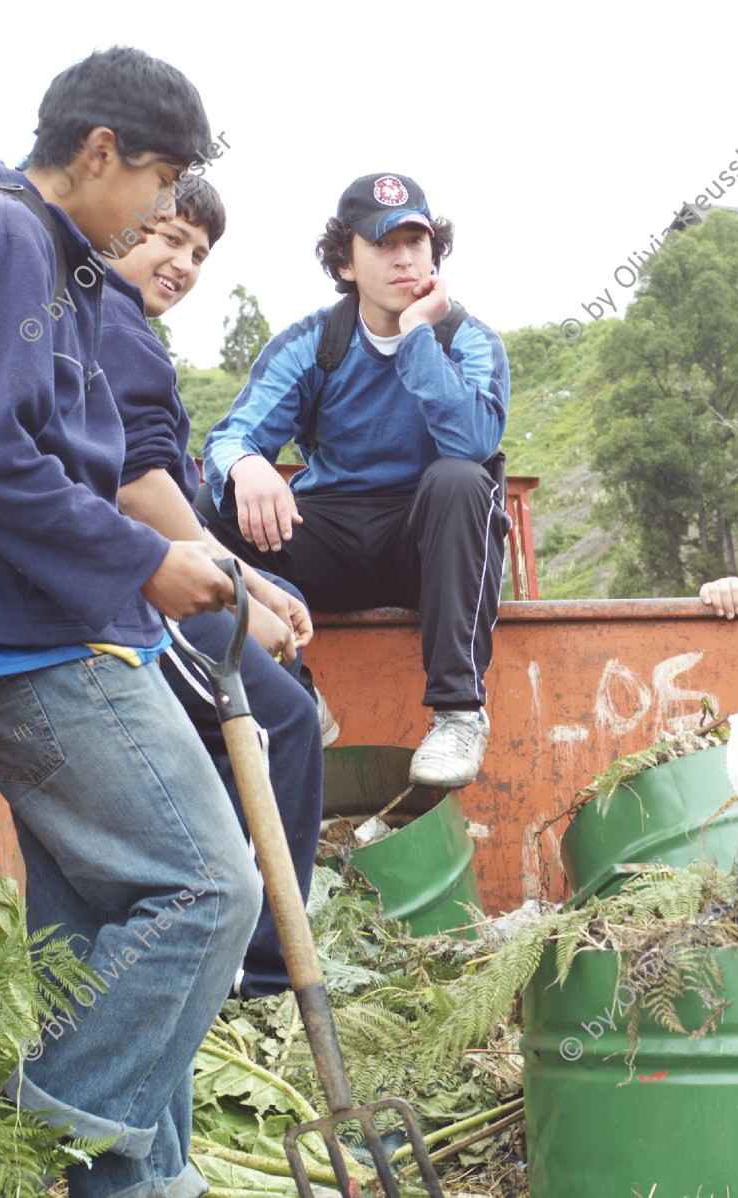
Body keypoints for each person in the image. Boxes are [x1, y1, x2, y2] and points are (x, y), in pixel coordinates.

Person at [0, 48, 259, 1197]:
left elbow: (61, 459)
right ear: (99, 154)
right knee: (210, 890)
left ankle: (142, 1179)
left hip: (66, 628)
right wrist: (148, 560)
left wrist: (160, 560)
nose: (163, 212)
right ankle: (34, 1154)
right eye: (159, 184)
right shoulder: (0, 239)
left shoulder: (63, 265)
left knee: (116, 926)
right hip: (36, 643)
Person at [196, 173, 511, 791]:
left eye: (416, 243)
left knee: (459, 479)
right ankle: (293, 692)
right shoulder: (315, 342)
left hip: (429, 544)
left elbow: (473, 443)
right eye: (383, 244)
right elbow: (230, 436)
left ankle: (458, 713)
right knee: (213, 502)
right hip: (332, 533)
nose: (404, 258)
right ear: (345, 262)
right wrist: (247, 464)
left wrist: (418, 334)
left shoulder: (468, 341)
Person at [107, 175, 326, 998]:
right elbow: (137, 489)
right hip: (126, 598)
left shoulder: (131, 333)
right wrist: (241, 594)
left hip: (159, 578)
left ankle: (263, 945)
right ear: (119, 223)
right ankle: (261, 980)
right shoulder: (103, 325)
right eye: (166, 238)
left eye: (198, 253)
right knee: (279, 723)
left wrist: (257, 583)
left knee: (291, 698)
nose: (183, 263)